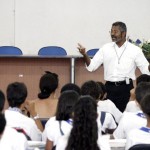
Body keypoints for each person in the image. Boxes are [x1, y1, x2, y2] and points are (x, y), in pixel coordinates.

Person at [78, 21, 150, 112]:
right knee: (109, 115)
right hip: (109, 88)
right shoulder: (105, 48)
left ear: (124, 33)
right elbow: (91, 66)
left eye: (115, 31)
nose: (112, 34)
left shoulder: (135, 50)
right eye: (111, 31)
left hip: (126, 89)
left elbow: (146, 69)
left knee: (125, 116)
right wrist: (84, 54)